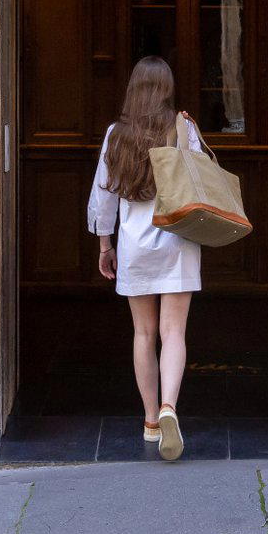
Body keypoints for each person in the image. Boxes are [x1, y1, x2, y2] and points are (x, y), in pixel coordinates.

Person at [88, 56, 204, 461]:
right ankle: (171, 406)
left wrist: (106, 245)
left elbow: (103, 196)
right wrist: (193, 134)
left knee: (144, 334)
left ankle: (151, 420)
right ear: (167, 89)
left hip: (135, 245)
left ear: (133, 89)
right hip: (178, 241)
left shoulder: (116, 134)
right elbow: (202, 179)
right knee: (174, 333)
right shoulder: (181, 127)